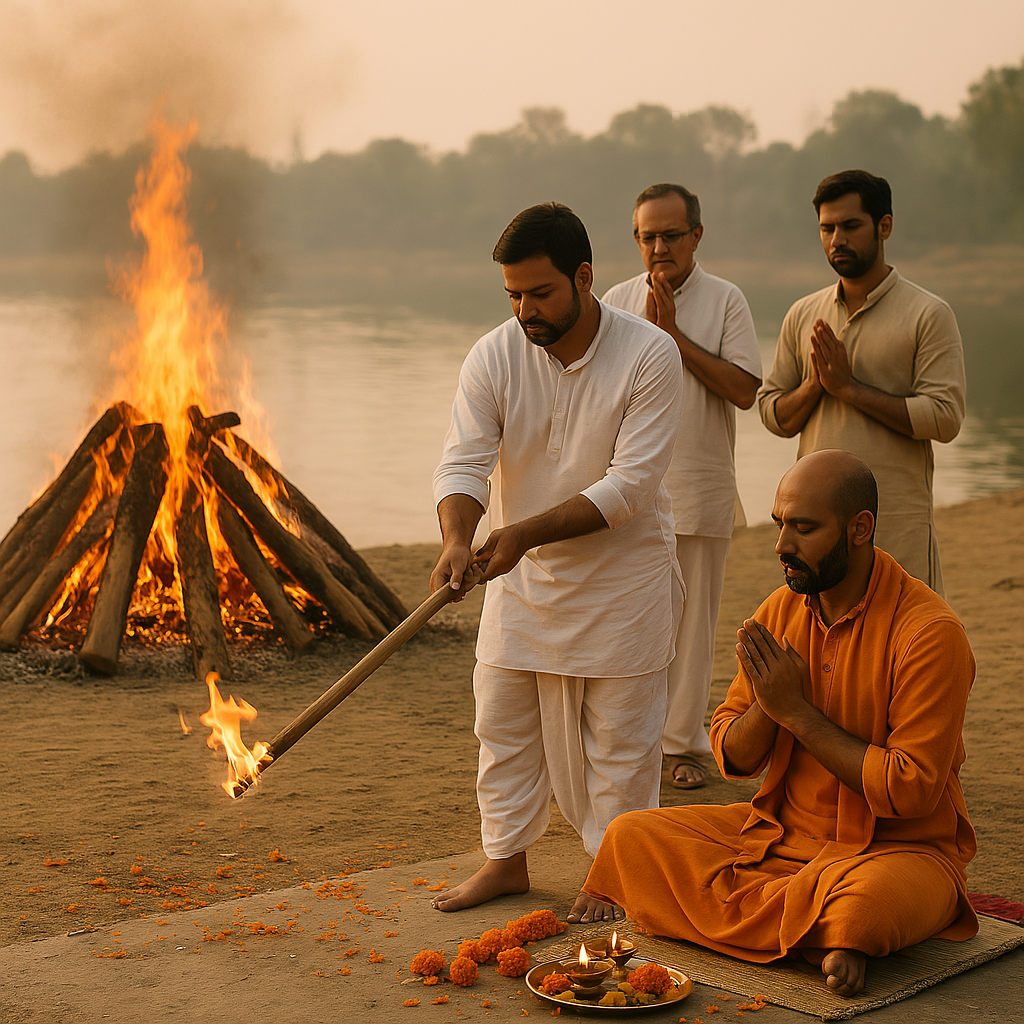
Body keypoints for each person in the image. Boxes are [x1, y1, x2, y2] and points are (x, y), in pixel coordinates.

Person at [582, 449, 977, 996]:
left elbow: (909, 791)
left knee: (865, 909)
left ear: (860, 529)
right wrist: (769, 705)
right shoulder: (782, 608)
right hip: (778, 834)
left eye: (804, 528)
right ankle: (821, 939)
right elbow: (733, 755)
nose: (782, 546)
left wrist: (796, 712)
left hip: (896, 849)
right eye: (780, 524)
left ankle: (838, 931)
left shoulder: (929, 633)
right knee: (629, 834)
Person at [429, 202, 684, 922]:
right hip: (525, 581)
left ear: (583, 276)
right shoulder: (493, 354)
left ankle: (611, 870)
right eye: (512, 295)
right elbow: (465, 462)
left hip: (623, 581)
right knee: (501, 724)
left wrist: (522, 534)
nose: (524, 310)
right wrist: (458, 538)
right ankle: (506, 862)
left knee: (623, 742)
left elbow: (631, 486)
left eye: (539, 293)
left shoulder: (648, 354)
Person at [603, 183, 762, 790]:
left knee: (692, 626)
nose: (661, 246)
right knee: (629, 620)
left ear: (697, 236)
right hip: (626, 489)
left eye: (673, 234)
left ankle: (682, 747)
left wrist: (672, 334)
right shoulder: (614, 301)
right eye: (649, 236)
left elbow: (745, 390)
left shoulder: (725, 300)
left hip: (698, 486)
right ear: (637, 240)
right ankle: (629, 743)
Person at [758, 169, 966, 596]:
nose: (837, 239)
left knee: (907, 641)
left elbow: (945, 418)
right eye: (827, 228)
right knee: (823, 644)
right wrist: (817, 384)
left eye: (850, 226)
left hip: (898, 522)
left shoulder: (928, 314)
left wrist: (850, 389)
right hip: (816, 530)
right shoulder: (803, 314)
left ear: (883, 226)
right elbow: (772, 414)